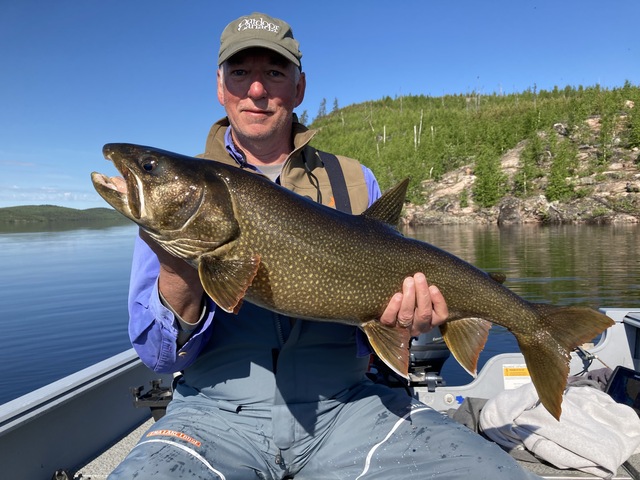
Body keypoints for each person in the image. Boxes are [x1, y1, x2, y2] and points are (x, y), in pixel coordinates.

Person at [110, 12, 540, 479]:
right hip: (214, 417)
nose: (257, 90)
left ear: (299, 88)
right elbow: (158, 358)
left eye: (274, 73)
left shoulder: (355, 180)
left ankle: (540, 331)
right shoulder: (176, 201)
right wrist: (177, 270)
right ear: (220, 86)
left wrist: (409, 323)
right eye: (241, 73)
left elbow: (392, 306)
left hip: (349, 408)